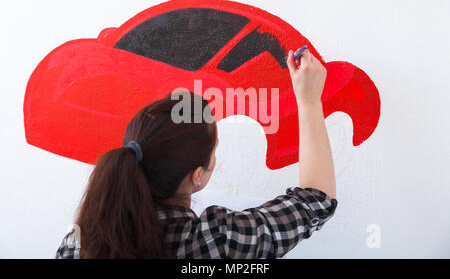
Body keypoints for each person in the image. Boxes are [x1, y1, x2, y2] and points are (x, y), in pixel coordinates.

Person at [55, 48, 337, 259]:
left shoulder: (78, 244)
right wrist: (309, 100)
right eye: (214, 151)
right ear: (196, 176)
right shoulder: (212, 243)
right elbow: (315, 201)